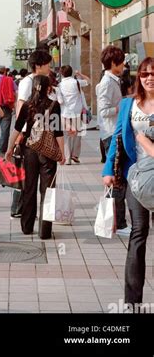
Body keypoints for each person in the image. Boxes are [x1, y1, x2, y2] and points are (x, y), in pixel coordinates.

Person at [102, 57, 154, 306]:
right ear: (138, 77)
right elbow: (117, 138)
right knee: (138, 232)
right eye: (145, 74)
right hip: (136, 177)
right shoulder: (128, 104)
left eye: (153, 73)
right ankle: (133, 300)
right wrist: (108, 169)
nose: (149, 78)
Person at [6, 75, 65, 239]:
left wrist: (9, 149)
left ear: (33, 87)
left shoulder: (27, 105)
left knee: (29, 189)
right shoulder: (54, 105)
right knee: (47, 192)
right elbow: (58, 131)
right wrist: (62, 153)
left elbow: (17, 129)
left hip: (29, 151)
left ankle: (26, 227)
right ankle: (44, 231)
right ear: (48, 88)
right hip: (47, 152)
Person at [10, 50, 53, 219]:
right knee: (25, 176)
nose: (50, 67)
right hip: (29, 136)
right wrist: (21, 132)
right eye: (48, 64)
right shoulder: (29, 82)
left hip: (38, 135)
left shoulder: (40, 81)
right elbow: (21, 105)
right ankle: (18, 208)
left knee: (28, 174)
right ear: (39, 66)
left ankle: (24, 210)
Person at [96, 45, 130, 236]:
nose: (124, 65)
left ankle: (115, 219)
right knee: (117, 180)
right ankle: (121, 224)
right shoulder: (107, 83)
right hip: (111, 134)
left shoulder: (114, 81)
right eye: (122, 61)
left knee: (116, 179)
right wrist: (122, 106)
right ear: (113, 63)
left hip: (115, 132)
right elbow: (103, 111)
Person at [57, 65, 90, 164]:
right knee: (77, 134)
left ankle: (67, 158)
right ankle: (75, 155)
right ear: (71, 73)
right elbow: (88, 80)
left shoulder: (60, 85)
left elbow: (60, 101)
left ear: (62, 74)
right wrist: (79, 74)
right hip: (77, 112)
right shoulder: (77, 82)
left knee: (66, 135)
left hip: (65, 113)